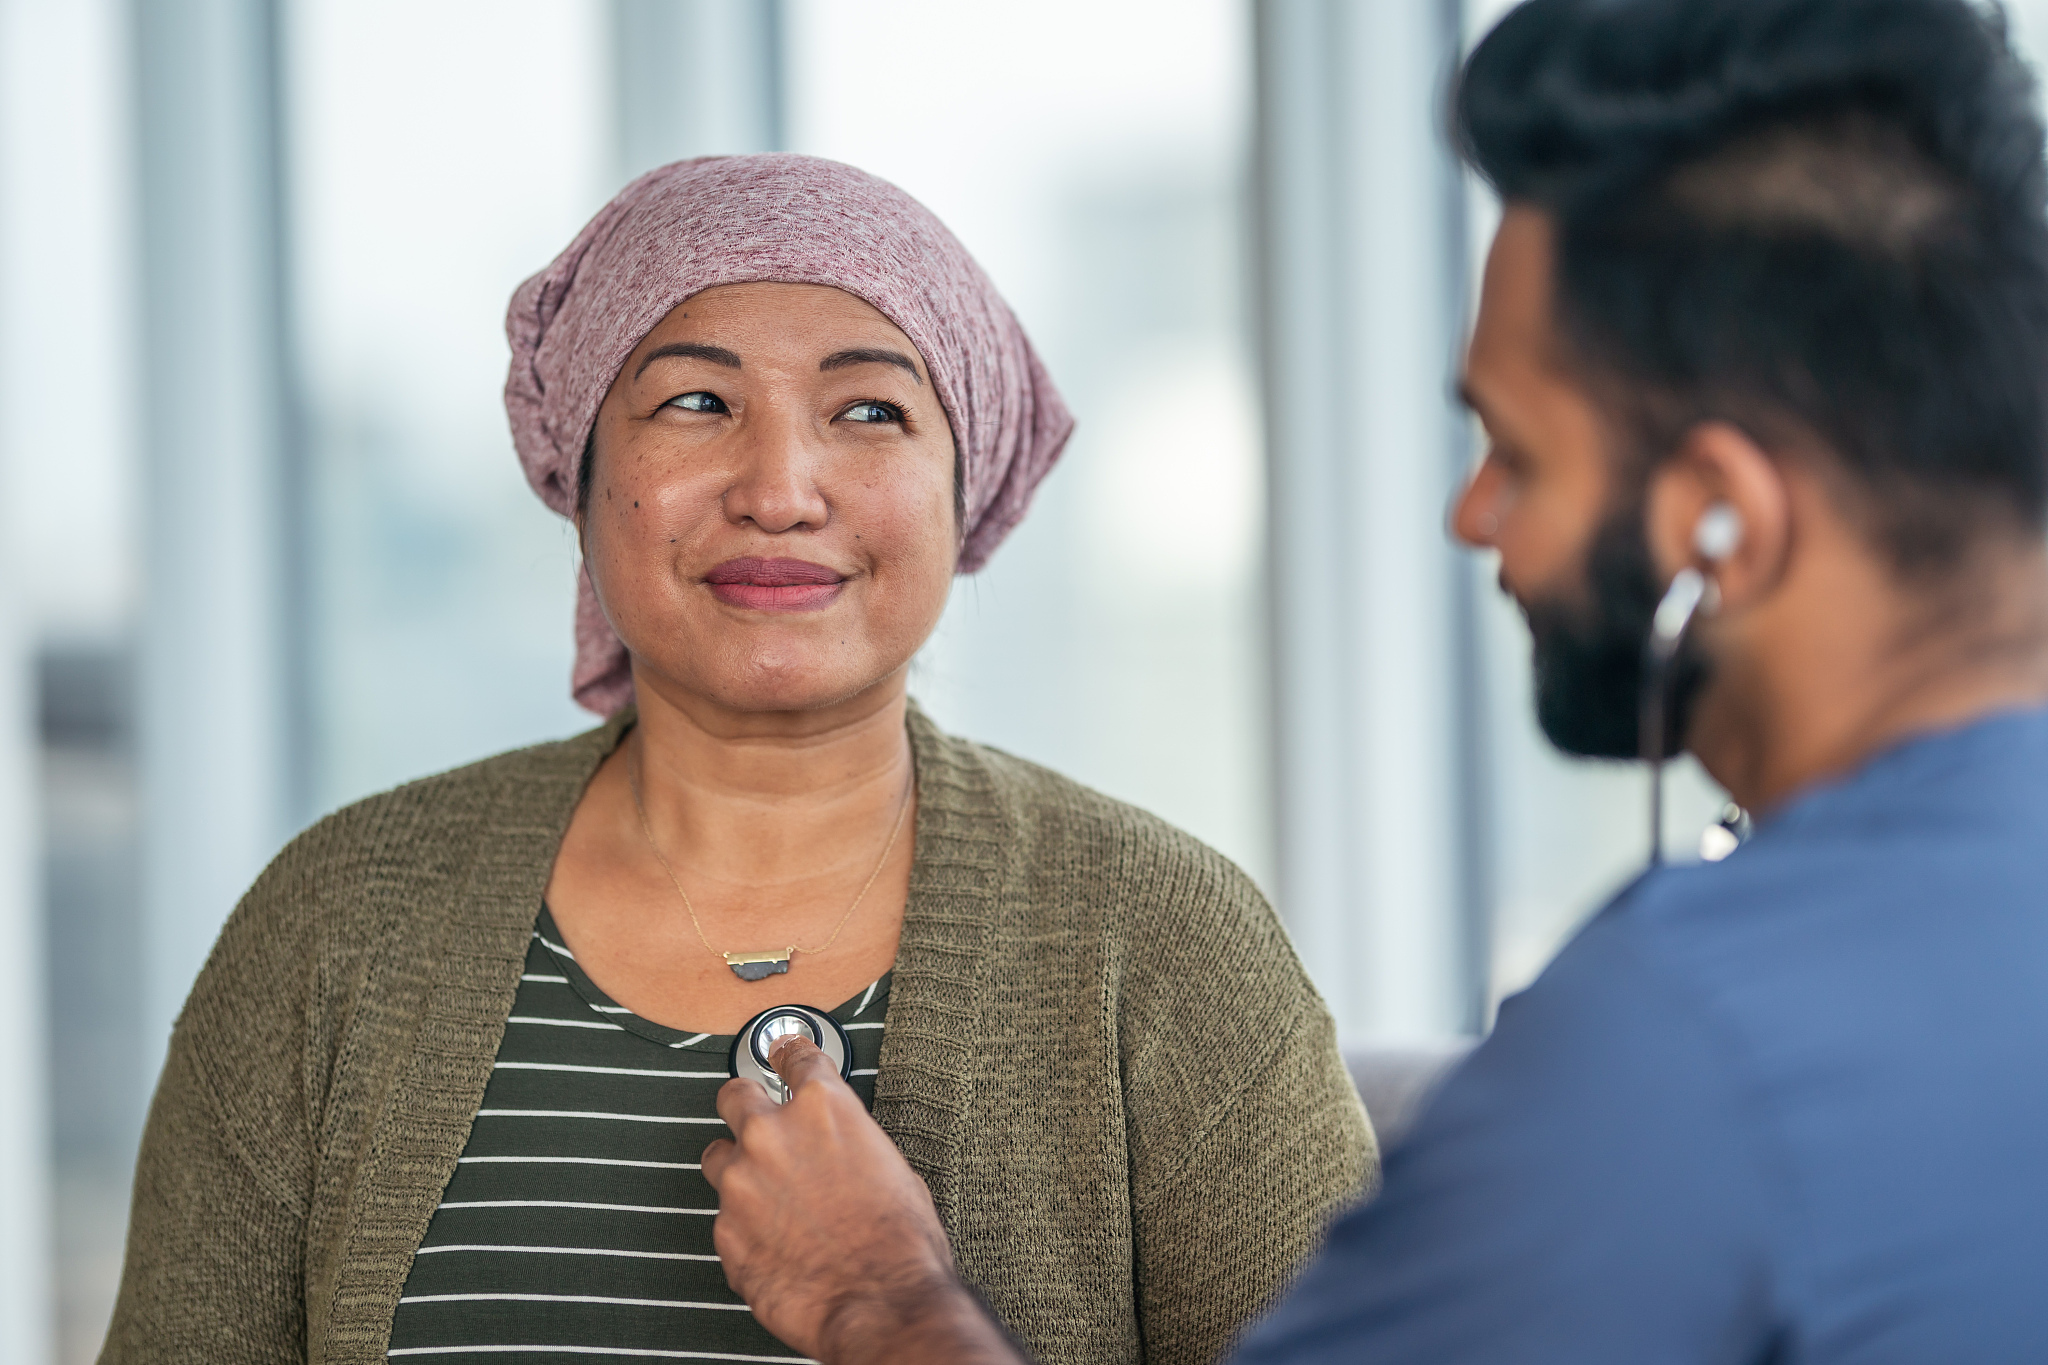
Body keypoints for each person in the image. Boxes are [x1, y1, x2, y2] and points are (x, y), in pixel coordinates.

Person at [692, 2, 2048, 1361]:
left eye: (1516, 451)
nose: (1473, 515)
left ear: (1718, 522)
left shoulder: (1683, 1056)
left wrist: (882, 1295)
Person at [99, 155, 1371, 1364]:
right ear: (581, 477)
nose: (779, 488)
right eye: (695, 401)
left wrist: (897, 1312)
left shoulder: (1158, 942)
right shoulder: (339, 921)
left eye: (869, 410)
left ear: (960, 490)